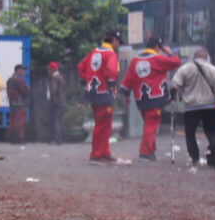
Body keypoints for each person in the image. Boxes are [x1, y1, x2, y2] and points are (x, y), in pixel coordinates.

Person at [119, 37, 181, 161]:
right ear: (157, 47)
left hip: (141, 99)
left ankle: (151, 152)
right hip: (155, 98)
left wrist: (126, 96)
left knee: (148, 124)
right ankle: (145, 152)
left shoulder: (135, 60)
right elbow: (176, 62)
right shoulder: (158, 59)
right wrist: (169, 52)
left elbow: (127, 80)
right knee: (151, 126)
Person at [170, 48, 215, 166]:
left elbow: (174, 86)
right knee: (213, 132)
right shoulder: (213, 70)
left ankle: (195, 158)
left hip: (191, 108)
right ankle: (213, 158)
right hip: (210, 107)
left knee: (190, 134)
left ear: (194, 58)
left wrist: (172, 97)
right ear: (206, 58)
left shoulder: (185, 69)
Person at [77, 30, 121, 164]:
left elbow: (80, 66)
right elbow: (112, 71)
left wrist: (85, 80)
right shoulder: (110, 54)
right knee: (103, 125)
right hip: (105, 93)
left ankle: (104, 152)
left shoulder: (93, 52)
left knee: (103, 124)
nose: (118, 44)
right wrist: (110, 84)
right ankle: (97, 155)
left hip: (92, 93)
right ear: (113, 40)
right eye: (118, 41)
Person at [6, 64, 31, 144]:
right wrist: (29, 90)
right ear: (18, 71)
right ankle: (19, 139)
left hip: (12, 104)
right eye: (22, 70)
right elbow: (25, 91)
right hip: (19, 103)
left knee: (13, 121)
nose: (24, 72)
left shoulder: (10, 80)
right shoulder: (19, 80)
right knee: (20, 122)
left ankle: (12, 138)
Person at [45, 62, 66, 144]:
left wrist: (53, 101)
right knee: (59, 120)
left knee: (55, 121)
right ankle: (59, 139)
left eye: (49, 69)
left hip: (56, 103)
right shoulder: (61, 78)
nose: (48, 71)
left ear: (53, 69)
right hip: (62, 102)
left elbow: (53, 91)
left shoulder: (54, 78)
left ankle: (56, 139)